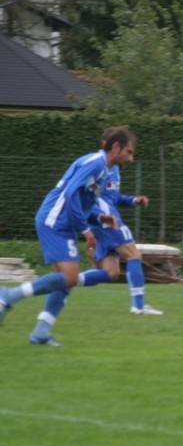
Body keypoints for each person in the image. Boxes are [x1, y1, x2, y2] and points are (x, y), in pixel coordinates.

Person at [0, 128, 137, 346]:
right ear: (116, 147)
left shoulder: (103, 170)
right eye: (129, 152)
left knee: (65, 281)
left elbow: (84, 202)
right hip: (55, 221)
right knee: (70, 277)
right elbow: (71, 193)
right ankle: (8, 295)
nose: (131, 158)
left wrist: (101, 218)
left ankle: (42, 331)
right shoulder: (96, 163)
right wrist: (85, 230)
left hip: (63, 224)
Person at [82, 127, 162, 316]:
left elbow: (113, 197)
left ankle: (66, 280)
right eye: (129, 151)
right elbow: (89, 197)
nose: (131, 158)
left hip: (103, 219)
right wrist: (101, 218)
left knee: (111, 272)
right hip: (107, 220)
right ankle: (138, 306)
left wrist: (134, 200)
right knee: (134, 255)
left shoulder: (115, 168)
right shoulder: (100, 166)